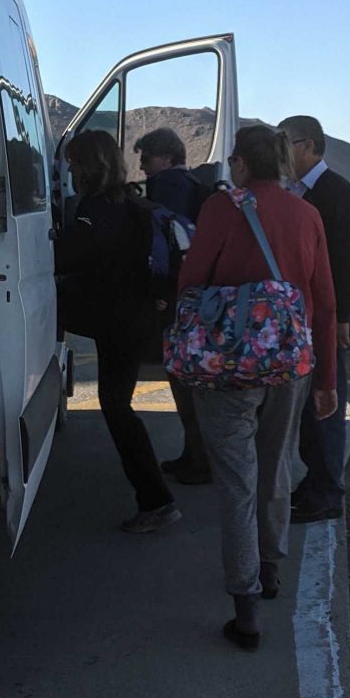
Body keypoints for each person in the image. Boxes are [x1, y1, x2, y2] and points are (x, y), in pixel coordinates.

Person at [178, 125, 337, 649]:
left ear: (241, 164)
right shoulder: (307, 215)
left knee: (237, 481)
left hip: (226, 367)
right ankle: (270, 571)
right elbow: (325, 302)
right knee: (277, 468)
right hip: (292, 365)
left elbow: (192, 282)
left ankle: (245, 605)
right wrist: (327, 378)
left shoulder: (222, 210)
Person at [56, 130, 181, 533]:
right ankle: (155, 499)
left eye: (75, 162)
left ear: (89, 165)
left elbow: (73, 257)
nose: (71, 169)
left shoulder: (96, 208)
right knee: (117, 405)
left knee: (116, 407)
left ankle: (157, 501)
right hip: (135, 319)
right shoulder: (130, 199)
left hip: (118, 323)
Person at [278, 115, 350, 524]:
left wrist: (343, 316)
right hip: (302, 316)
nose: (281, 152)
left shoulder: (335, 193)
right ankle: (315, 484)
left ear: (310, 146)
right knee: (308, 409)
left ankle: (327, 492)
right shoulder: (295, 192)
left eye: (287, 143)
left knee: (325, 406)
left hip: (325, 318)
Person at [133, 127, 211, 484]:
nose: (142, 166)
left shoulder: (167, 188)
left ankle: (199, 458)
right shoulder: (194, 186)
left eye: (146, 158)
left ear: (164, 157)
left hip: (175, 298)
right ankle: (194, 453)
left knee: (183, 381)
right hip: (194, 295)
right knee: (189, 381)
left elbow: (160, 249)